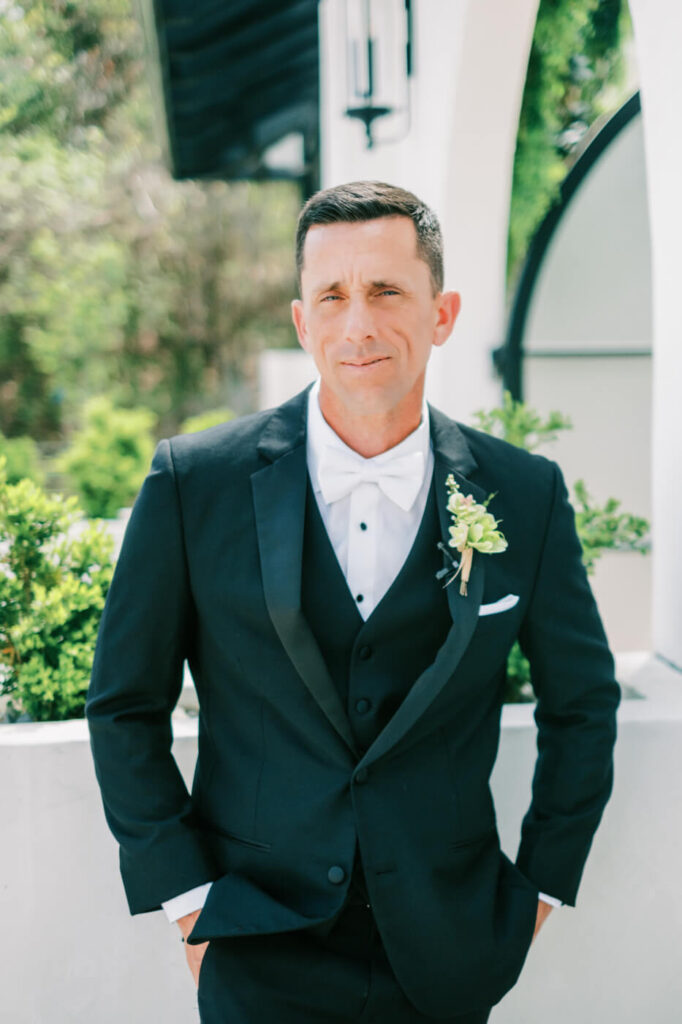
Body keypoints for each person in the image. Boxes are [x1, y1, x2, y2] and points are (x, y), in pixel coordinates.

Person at [86, 181, 621, 1023]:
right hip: (257, 939)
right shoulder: (196, 484)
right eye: (330, 296)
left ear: (441, 313)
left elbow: (583, 702)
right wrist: (187, 902)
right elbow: (124, 705)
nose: (358, 324)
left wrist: (541, 889)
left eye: (386, 292)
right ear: (302, 322)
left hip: (449, 949)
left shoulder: (525, 494)